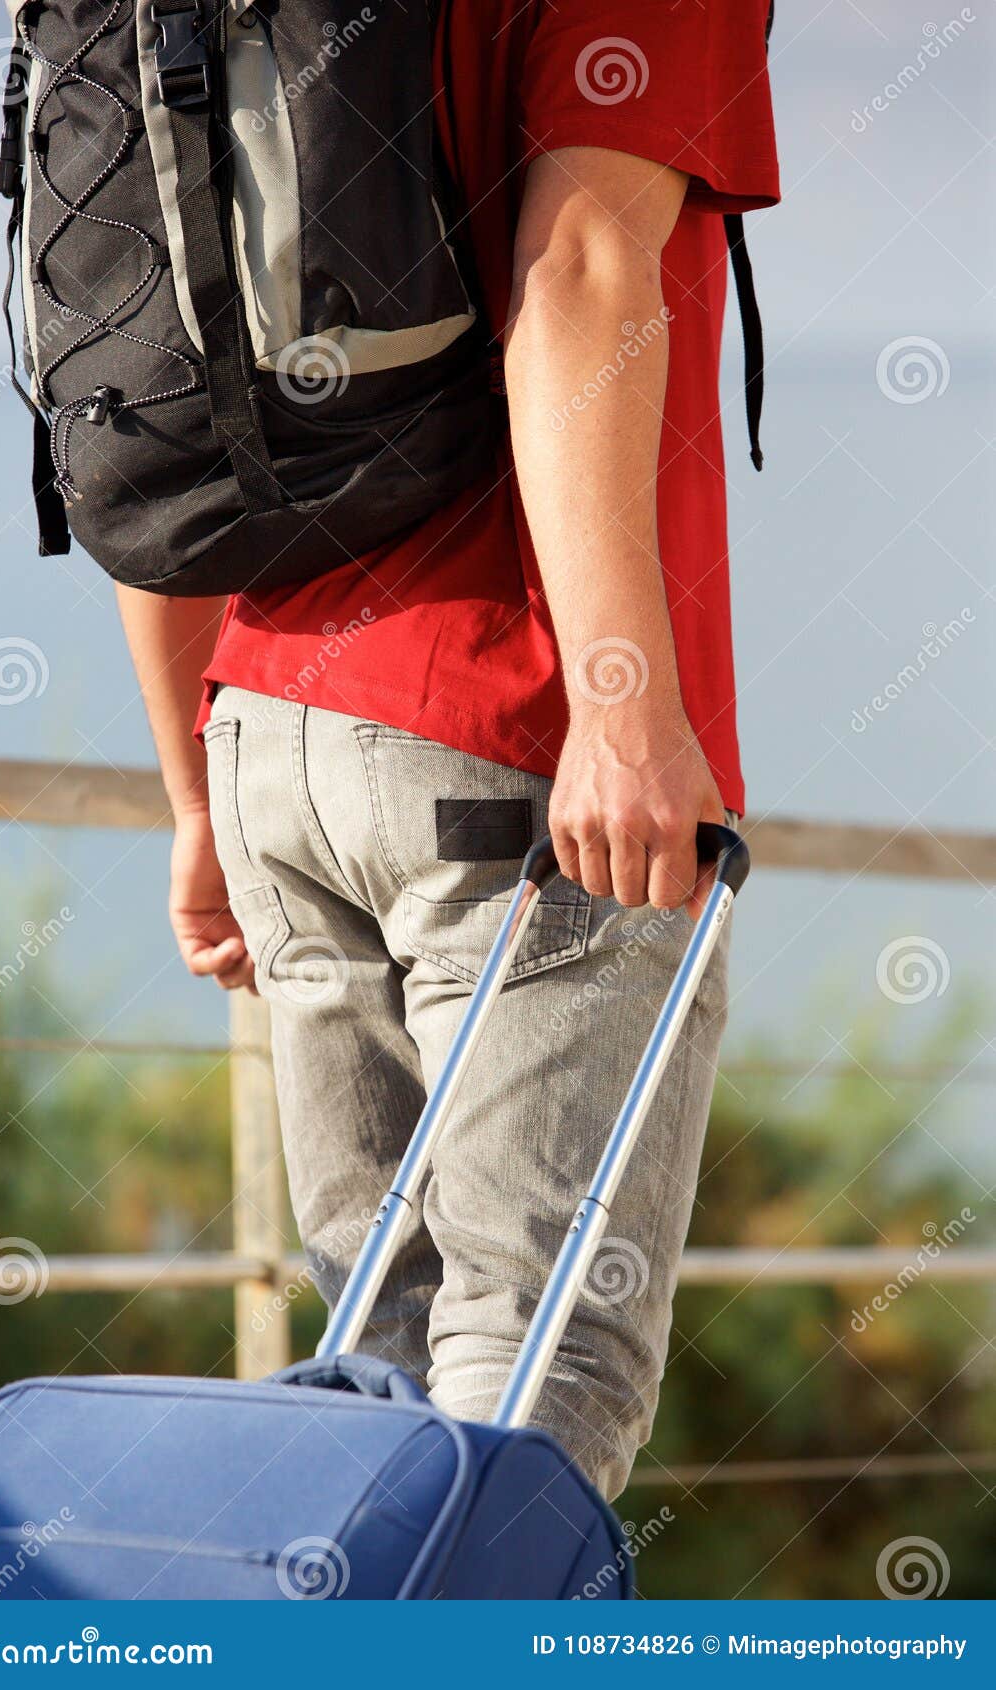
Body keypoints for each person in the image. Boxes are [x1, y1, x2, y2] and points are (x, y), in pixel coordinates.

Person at [117, 1, 778, 1502]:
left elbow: (148, 393)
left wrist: (194, 787)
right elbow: (581, 267)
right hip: (516, 739)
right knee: (539, 1363)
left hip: (266, 734)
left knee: (379, 1366)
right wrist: (619, 706)